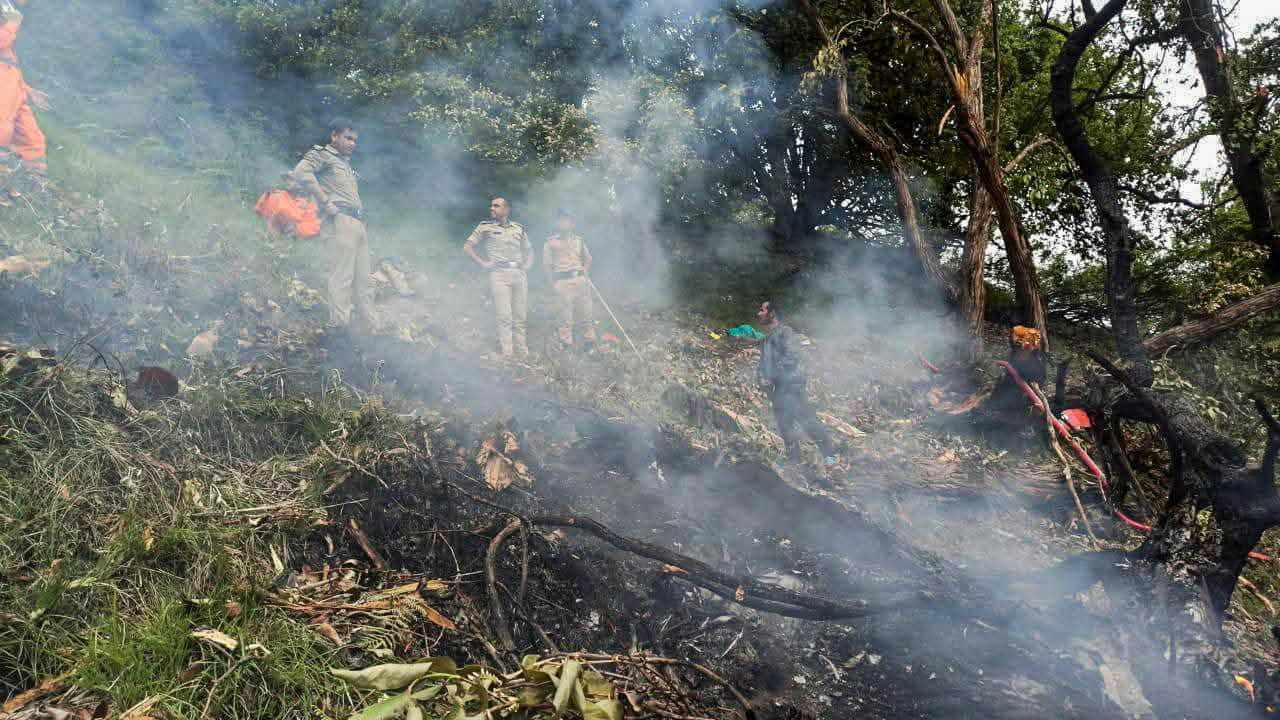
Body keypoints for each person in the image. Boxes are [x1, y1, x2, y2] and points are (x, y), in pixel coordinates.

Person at [288, 118, 374, 335]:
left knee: (365, 281)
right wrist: (325, 203)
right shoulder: (323, 155)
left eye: (355, 140)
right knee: (342, 277)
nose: (352, 143)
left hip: (356, 223)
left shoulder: (345, 164)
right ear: (334, 136)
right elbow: (301, 172)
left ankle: (371, 331)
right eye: (348, 138)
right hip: (339, 220)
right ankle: (339, 330)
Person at [757, 299, 837, 466]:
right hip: (778, 389)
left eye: (762, 310)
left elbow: (791, 357)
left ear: (772, 314)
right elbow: (763, 364)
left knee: (808, 421)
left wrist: (772, 376)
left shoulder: (785, 332)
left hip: (791, 385)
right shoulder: (767, 339)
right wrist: (762, 379)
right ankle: (794, 463)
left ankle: (831, 458)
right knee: (785, 425)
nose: (758, 313)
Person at [463, 197, 533, 357]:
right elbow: (467, 247)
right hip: (499, 274)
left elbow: (530, 251)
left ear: (506, 210)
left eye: (496, 206)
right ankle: (508, 355)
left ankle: (523, 354)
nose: (492, 208)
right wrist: (483, 263)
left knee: (520, 317)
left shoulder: (518, 228)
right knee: (505, 317)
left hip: (519, 274)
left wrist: (527, 267)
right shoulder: (485, 226)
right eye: (491, 206)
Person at [0, 0, 48, 174]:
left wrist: (27, 90)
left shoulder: (8, 8)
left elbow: (8, 62)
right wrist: (13, 23)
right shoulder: (9, 13)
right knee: (2, 127)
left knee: (33, 139)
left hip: (14, 88)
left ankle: (35, 181)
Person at [542, 209, 595, 350]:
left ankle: (589, 344)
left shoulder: (579, 241)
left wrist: (586, 275)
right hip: (562, 282)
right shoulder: (550, 242)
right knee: (564, 318)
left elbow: (588, 259)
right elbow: (546, 265)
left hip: (580, 281)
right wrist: (552, 285)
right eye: (560, 220)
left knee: (586, 314)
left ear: (572, 224)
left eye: (566, 220)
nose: (562, 222)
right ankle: (566, 347)